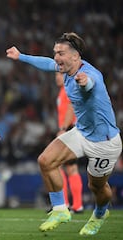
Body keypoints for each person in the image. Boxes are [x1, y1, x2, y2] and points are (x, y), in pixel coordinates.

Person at [6, 32, 122, 236]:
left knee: (96, 186)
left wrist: (84, 82)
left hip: (105, 142)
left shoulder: (90, 74)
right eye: (55, 52)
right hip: (82, 132)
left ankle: (100, 213)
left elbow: (90, 84)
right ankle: (60, 209)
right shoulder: (65, 68)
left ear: (76, 56)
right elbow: (45, 63)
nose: (56, 57)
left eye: (60, 53)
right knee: (45, 161)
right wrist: (20, 56)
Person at [55, 72, 83, 213]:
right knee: (69, 168)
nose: (57, 78)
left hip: (69, 130)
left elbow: (71, 109)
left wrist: (64, 128)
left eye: (59, 75)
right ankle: (76, 205)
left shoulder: (67, 89)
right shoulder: (63, 91)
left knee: (58, 166)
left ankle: (65, 204)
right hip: (69, 131)